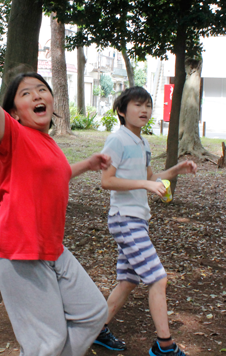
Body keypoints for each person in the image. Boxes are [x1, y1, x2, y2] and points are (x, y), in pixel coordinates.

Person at [0, 6, 110, 356]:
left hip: (51, 248)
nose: (37, 96)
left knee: (93, 313)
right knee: (48, 341)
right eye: (26, 93)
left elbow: (54, 177)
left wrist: (87, 164)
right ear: (13, 111)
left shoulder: (48, 144)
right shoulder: (11, 136)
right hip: (18, 251)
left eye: (42, 90)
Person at [97, 86, 197, 356]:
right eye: (138, 105)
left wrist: (176, 169)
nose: (144, 110)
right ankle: (165, 346)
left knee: (128, 281)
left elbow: (151, 177)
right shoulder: (117, 140)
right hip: (124, 220)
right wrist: (143, 183)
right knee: (158, 278)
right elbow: (106, 181)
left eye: (148, 105)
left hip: (138, 221)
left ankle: (96, 330)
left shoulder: (143, 142)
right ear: (121, 111)